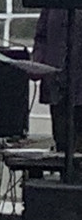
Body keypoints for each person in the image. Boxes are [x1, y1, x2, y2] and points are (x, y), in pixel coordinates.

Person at [35, 9, 82, 154]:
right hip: (57, 82)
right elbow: (41, 36)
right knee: (62, 141)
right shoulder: (52, 3)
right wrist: (37, 61)